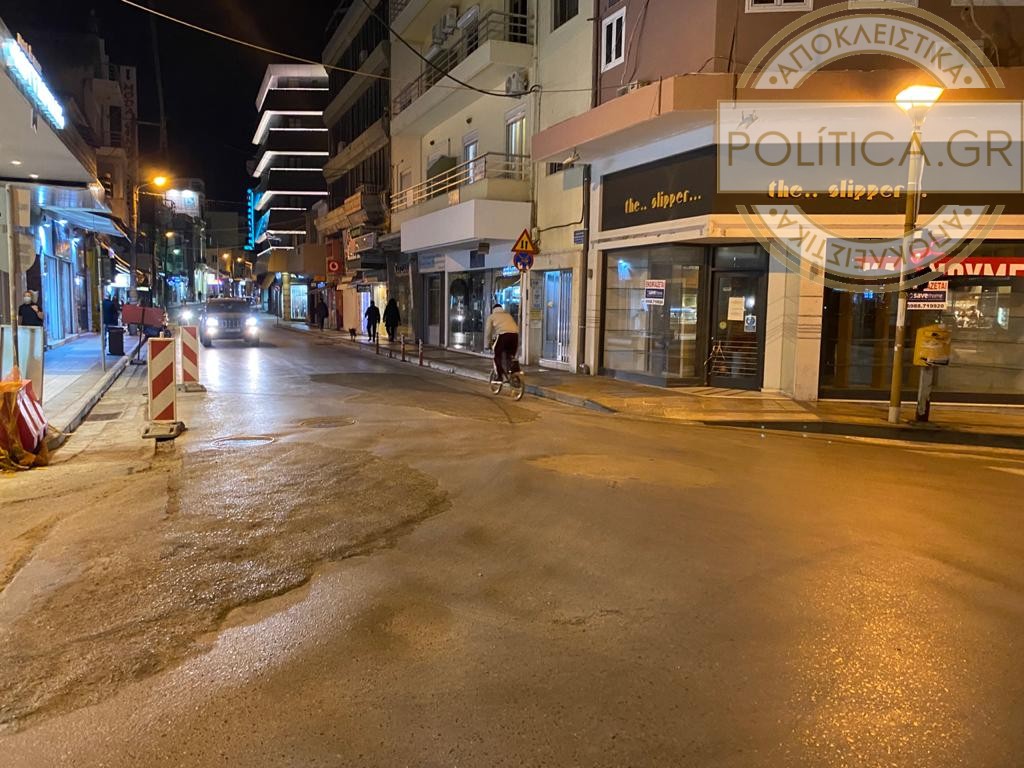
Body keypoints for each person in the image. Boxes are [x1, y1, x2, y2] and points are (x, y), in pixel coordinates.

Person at [484, 302, 519, 380]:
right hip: (515, 336)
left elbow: (488, 332)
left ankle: (499, 376)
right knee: (510, 355)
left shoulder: (491, 317)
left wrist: (487, 345)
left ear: (493, 310)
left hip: (504, 335)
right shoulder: (508, 315)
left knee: (497, 356)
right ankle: (513, 372)